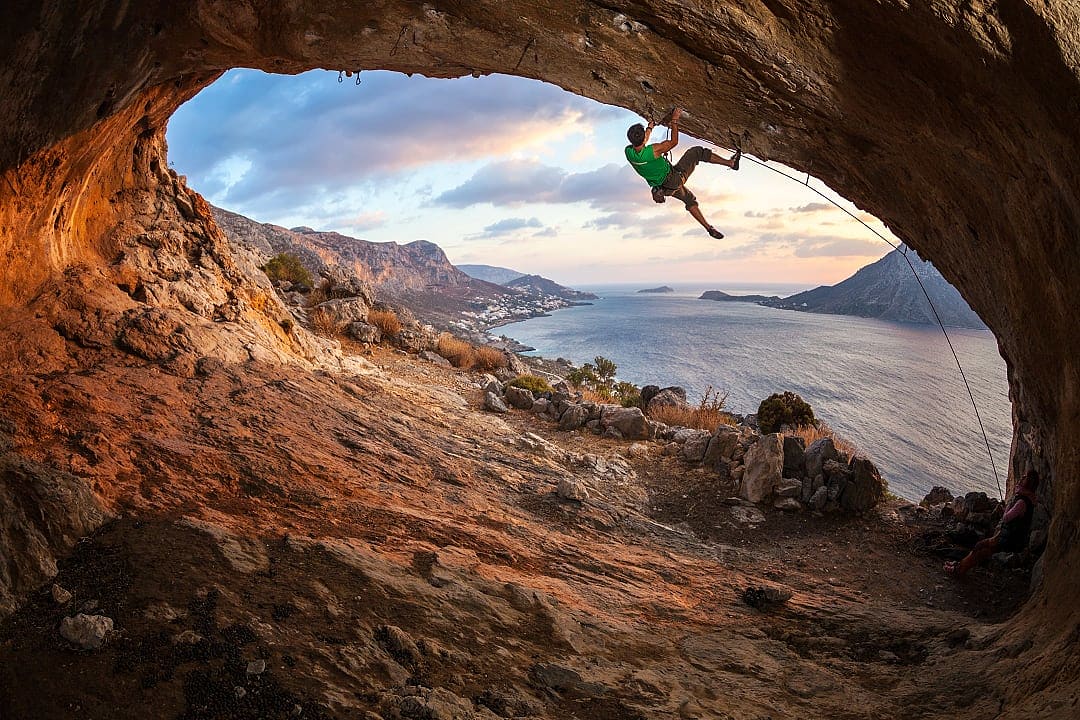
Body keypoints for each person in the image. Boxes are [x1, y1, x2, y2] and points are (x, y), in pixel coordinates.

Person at [624, 108, 740, 239]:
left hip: (664, 189)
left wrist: (649, 128)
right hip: (674, 179)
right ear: (643, 137)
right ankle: (731, 163)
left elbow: (641, 142)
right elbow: (674, 142)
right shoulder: (653, 151)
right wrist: (674, 119)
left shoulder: (629, 152)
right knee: (696, 152)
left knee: (689, 200)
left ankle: (709, 228)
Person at [944, 470, 1040, 577]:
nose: (1022, 478)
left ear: (1028, 483)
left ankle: (959, 569)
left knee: (981, 550)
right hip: (1009, 537)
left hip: (1009, 541)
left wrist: (1007, 506)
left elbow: (1006, 518)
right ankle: (960, 565)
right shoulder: (1026, 499)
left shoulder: (1022, 502)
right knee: (980, 547)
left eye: (1025, 477)